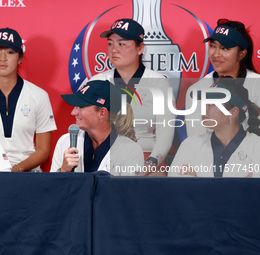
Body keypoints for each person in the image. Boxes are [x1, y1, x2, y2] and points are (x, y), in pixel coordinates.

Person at [84, 18, 175, 173]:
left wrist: (150, 165)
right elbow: (85, 127)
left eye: (121, 44)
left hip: (145, 156)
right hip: (105, 156)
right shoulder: (97, 81)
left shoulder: (158, 83)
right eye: (110, 43)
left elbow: (165, 134)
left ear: (140, 48)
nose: (114, 50)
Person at [0, 27, 57, 172]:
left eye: (10, 52)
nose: (2, 58)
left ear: (20, 58)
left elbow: (43, 150)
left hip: (26, 173)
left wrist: (16, 170)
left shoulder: (38, 95)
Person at [169, 76, 260, 177]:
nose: (204, 109)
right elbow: (177, 186)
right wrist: (239, 187)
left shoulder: (256, 146)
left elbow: (255, 191)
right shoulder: (191, 144)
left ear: (233, 112)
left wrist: (198, 182)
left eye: (211, 104)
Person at [50, 80, 144, 176]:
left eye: (81, 106)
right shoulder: (65, 141)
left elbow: (128, 190)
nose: (73, 112)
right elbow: (52, 188)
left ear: (102, 113)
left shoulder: (131, 151)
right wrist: (63, 171)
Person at [186, 18, 260, 137]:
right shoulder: (196, 90)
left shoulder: (257, 85)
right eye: (213, 46)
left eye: (224, 48)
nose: (215, 54)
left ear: (242, 54)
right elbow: (197, 141)